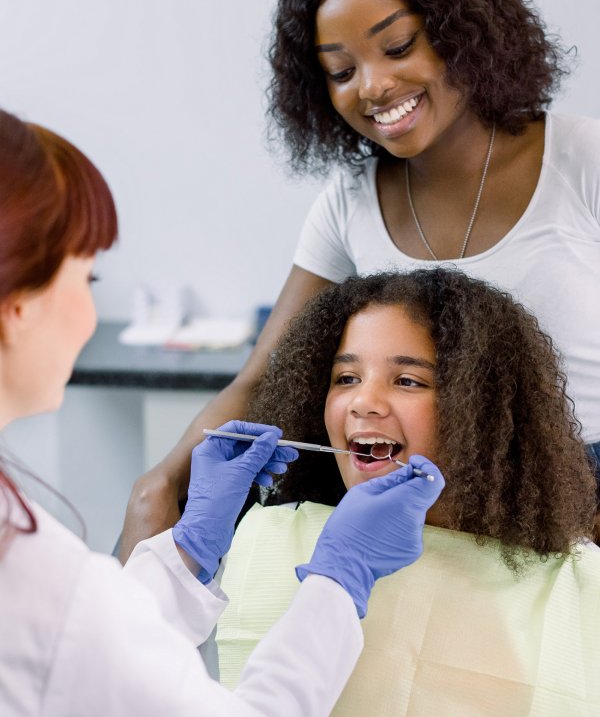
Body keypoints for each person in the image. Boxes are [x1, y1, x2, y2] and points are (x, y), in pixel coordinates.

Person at [119, 0, 600, 561]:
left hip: (576, 504)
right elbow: (261, 377)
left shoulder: (581, 160)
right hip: (411, 513)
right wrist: (161, 483)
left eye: (397, 46)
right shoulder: (348, 202)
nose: (372, 86)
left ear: (462, 33)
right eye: (342, 71)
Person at [0, 109, 445, 716]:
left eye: (407, 379)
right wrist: (341, 581)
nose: (366, 400)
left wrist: (183, 554)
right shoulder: (34, 575)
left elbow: (95, 668)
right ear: (17, 308)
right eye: (88, 277)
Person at [214, 268, 600, 715]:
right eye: (346, 378)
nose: (363, 402)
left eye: (408, 381)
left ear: (483, 413)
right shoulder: (266, 540)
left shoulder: (577, 587)